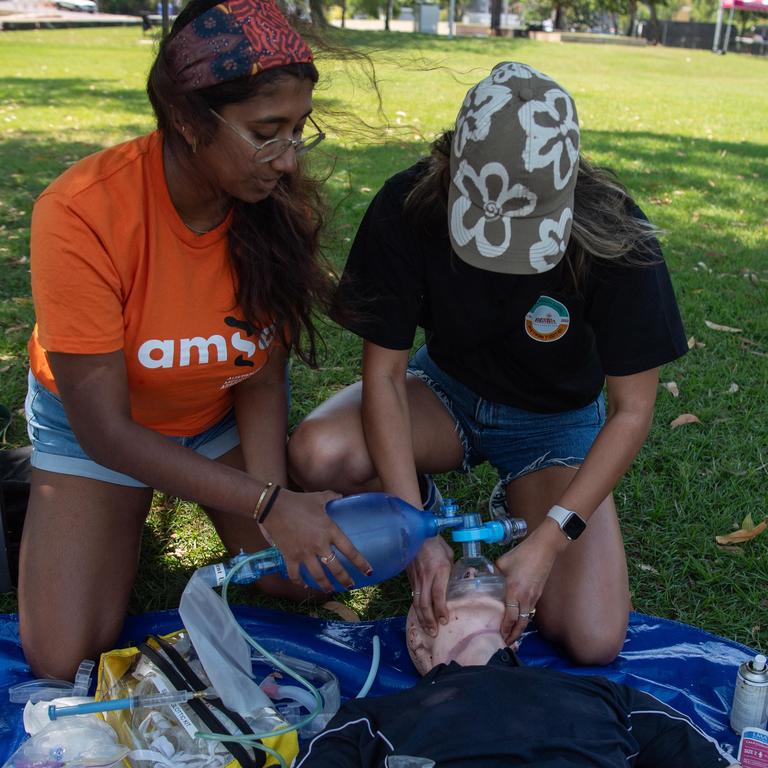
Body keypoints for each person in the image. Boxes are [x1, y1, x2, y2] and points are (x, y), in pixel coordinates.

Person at [288, 62, 688, 664]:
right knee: (320, 453)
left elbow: (632, 411)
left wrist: (551, 540)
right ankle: (425, 499)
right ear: (451, 168)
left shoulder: (618, 236)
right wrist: (412, 527)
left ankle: (523, 509)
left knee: (594, 636)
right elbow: (386, 377)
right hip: (444, 391)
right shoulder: (406, 205)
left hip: (554, 423)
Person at [20, 0, 371, 680]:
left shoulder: (272, 206)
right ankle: (58, 497)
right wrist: (268, 505)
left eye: (299, 130)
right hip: (103, 432)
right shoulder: (79, 212)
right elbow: (106, 434)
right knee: (63, 656)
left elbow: (262, 374)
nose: (289, 159)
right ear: (187, 119)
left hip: (212, 416)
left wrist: (275, 503)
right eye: (268, 131)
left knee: (300, 579)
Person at [294, 593, 737, 767]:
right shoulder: (373, 716)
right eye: (454, 586)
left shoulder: (606, 694)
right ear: (417, 639)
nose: (473, 574)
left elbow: (691, 753)